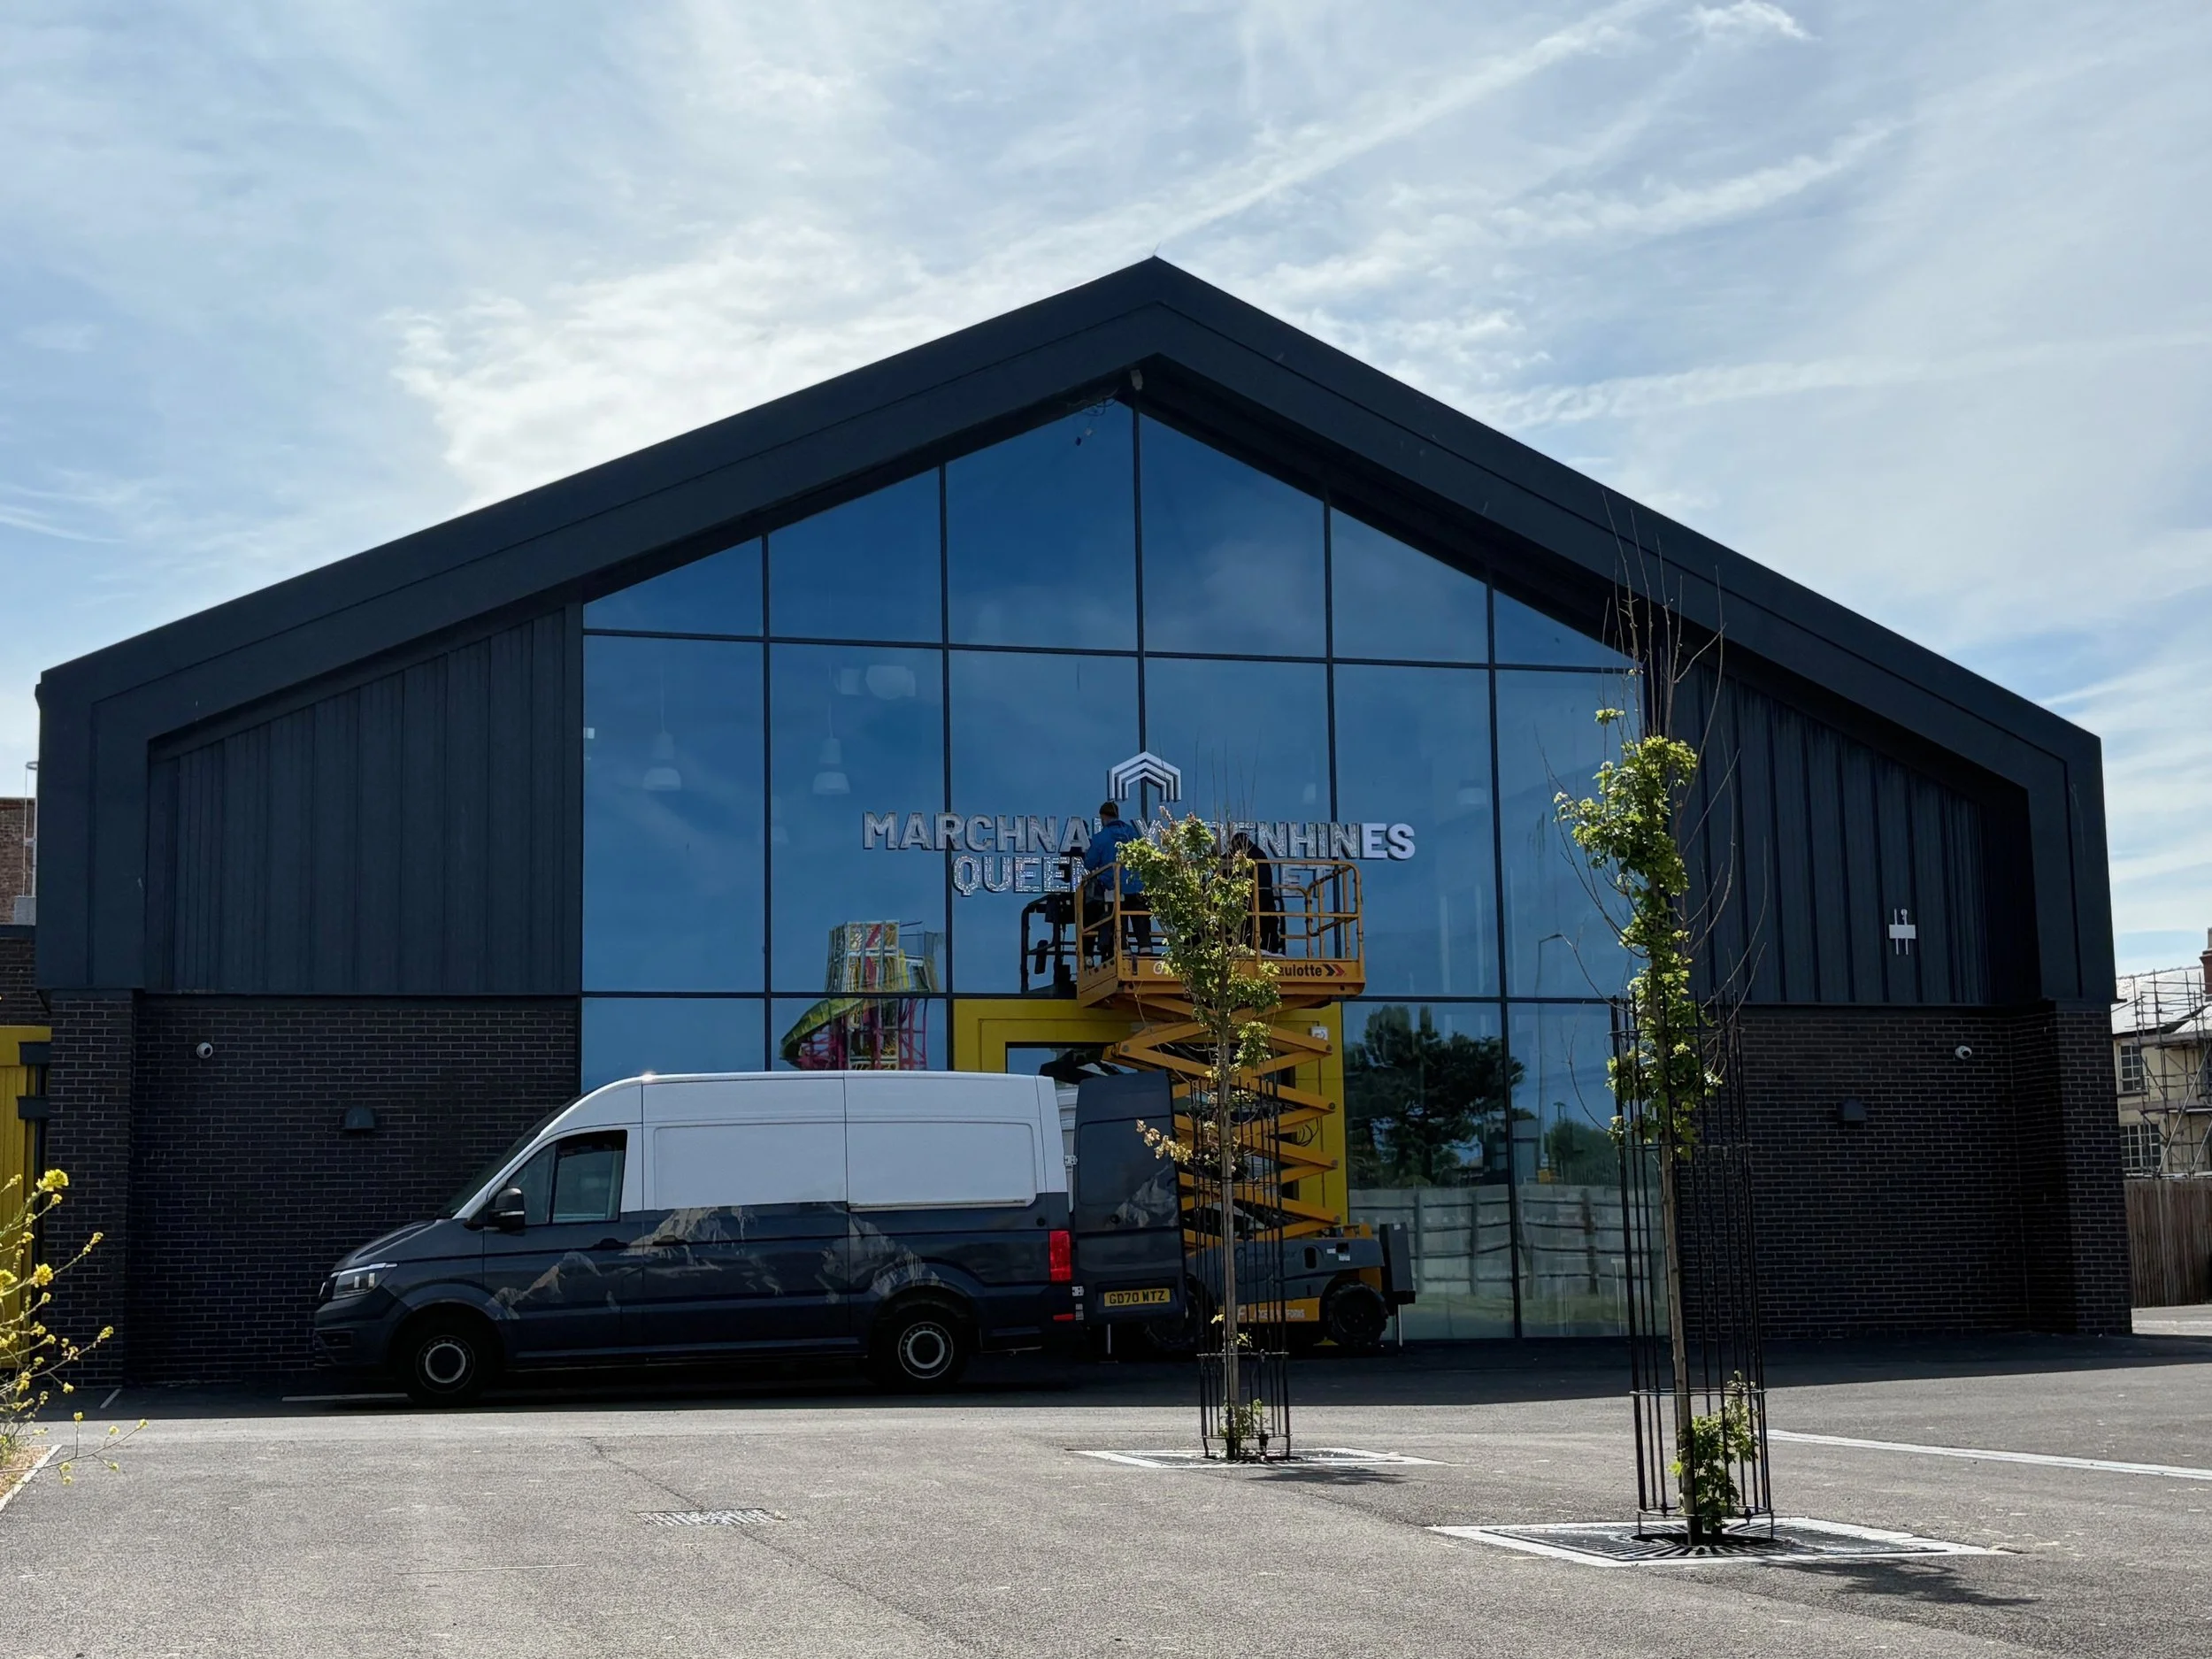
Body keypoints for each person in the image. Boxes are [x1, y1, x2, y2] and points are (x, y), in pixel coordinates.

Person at [1083, 800, 1151, 956]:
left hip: (1114, 886)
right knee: (1139, 915)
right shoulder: (1133, 834)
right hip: (1137, 885)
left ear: (1103, 817)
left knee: (1118, 917)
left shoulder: (1101, 838)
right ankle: (1146, 949)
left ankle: (1123, 948)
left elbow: (1090, 863)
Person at [1229, 831, 1283, 955]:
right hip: (1262, 900)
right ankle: (1268, 950)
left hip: (1258, 900)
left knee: (1254, 926)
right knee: (1264, 927)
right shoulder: (1258, 854)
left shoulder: (1253, 856)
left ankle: (1261, 950)